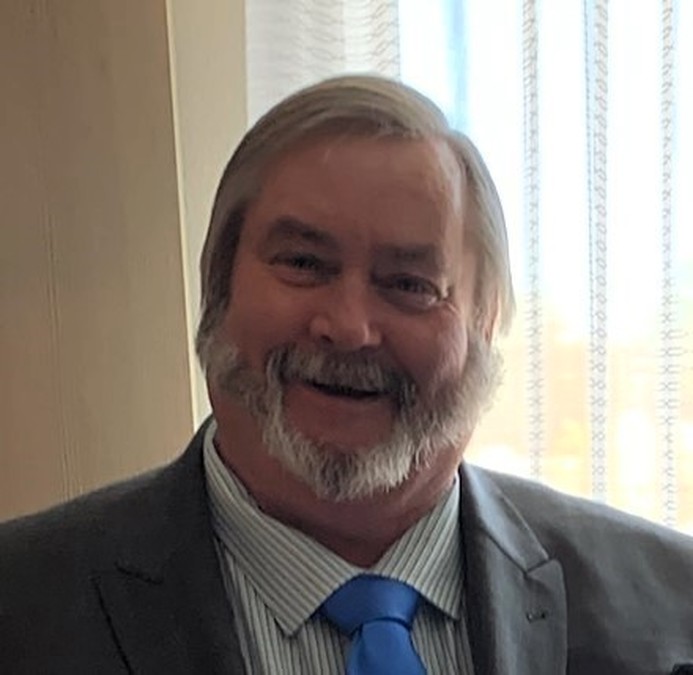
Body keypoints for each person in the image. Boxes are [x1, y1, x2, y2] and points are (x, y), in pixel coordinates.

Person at [1, 74, 692, 675]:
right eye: (304, 264)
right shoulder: (23, 605)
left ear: (484, 326)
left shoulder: (673, 602)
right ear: (218, 287)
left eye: (409, 284)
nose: (349, 326)